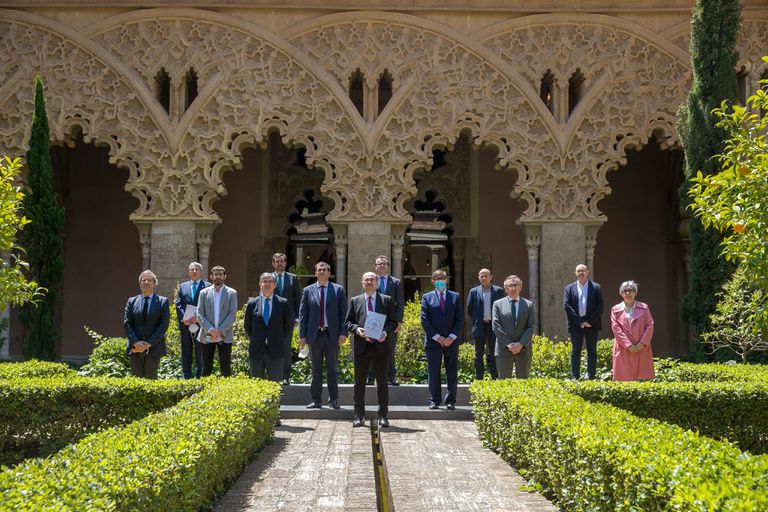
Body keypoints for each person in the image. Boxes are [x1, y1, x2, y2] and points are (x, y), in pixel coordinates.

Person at [346, 272, 397, 428]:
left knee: (382, 382)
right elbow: (347, 322)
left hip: (381, 346)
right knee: (359, 383)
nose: (369, 282)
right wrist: (357, 329)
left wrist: (384, 333)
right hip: (362, 346)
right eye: (366, 279)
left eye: (372, 279)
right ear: (362, 282)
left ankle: (383, 416)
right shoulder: (355, 301)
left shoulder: (386, 300)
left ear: (377, 283)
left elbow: (393, 322)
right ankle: (358, 415)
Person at [299, 261, 347, 409]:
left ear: (329, 273)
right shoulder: (308, 290)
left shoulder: (338, 290)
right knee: (316, 370)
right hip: (315, 335)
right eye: (318, 270)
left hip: (332, 335)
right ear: (315, 273)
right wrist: (302, 335)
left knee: (332, 369)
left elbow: (343, 314)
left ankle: (333, 400)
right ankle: (316, 400)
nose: (321, 272)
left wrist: (343, 333)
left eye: (324, 270)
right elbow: (303, 314)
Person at [420, 269, 463, 410]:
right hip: (433, 342)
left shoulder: (455, 297)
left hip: (451, 342)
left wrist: (451, 336)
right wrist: (438, 337)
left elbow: (460, 319)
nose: (440, 280)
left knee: (452, 371)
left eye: (442, 278)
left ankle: (451, 400)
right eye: (437, 278)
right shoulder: (427, 297)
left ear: (446, 280)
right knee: (433, 372)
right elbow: (425, 320)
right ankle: (434, 400)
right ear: (433, 281)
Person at [244, 273, 294, 382]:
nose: (267, 284)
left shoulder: (283, 303)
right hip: (257, 350)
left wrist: (278, 338)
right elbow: (247, 327)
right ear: (260, 284)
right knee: (256, 386)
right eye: (264, 281)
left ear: (275, 285)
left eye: (270, 281)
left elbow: (288, 326)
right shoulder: (252, 304)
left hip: (276, 350)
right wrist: (257, 338)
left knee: (276, 385)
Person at [124, 270, 170, 379]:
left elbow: (163, 325)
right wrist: (136, 343)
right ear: (140, 284)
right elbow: (127, 324)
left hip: (154, 348)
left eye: (149, 280)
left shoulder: (162, 302)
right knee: (136, 382)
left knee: (151, 381)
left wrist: (148, 344)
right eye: (143, 280)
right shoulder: (132, 301)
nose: (146, 282)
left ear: (155, 284)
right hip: (135, 348)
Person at [368, 255, 404, 386]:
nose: (382, 265)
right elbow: (364, 300)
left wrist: (399, 322)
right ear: (375, 267)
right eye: (379, 264)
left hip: (390, 321)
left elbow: (400, 303)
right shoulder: (370, 281)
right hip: (373, 319)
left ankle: (390, 377)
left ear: (389, 266)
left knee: (390, 349)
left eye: (384, 263)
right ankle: (371, 378)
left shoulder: (395, 282)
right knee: (371, 349)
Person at [563, 264, 604, 380]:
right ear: (575, 273)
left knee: (592, 350)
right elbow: (567, 306)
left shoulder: (596, 287)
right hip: (576, 325)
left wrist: (589, 321)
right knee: (576, 350)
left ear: (588, 272)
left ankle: (592, 376)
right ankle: (575, 376)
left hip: (592, 324)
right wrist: (579, 322)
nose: (581, 273)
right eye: (578, 271)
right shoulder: (569, 288)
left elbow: (600, 306)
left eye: (583, 271)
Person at [196, 265, 238, 377]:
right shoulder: (203, 293)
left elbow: (232, 314)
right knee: (206, 369)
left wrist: (219, 330)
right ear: (211, 276)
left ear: (225, 276)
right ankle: (204, 393)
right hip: (207, 334)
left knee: (226, 368)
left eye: (220, 274)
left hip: (225, 334)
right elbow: (199, 313)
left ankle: (226, 394)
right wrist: (210, 329)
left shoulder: (232, 293)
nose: (218, 276)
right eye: (215, 274)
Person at [492, 275, 535, 379]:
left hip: (523, 350)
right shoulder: (498, 304)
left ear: (520, 288)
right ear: (506, 289)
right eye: (510, 286)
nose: (513, 288)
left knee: (523, 384)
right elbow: (496, 325)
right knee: (504, 384)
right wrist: (509, 344)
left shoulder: (528, 305)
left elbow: (531, 326)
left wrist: (520, 344)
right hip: (503, 349)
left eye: (515, 285)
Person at [611, 280, 655, 381]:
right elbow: (616, 328)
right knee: (623, 379)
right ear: (621, 294)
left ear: (635, 292)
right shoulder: (615, 309)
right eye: (625, 291)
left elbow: (650, 325)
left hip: (641, 348)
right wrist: (628, 345)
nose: (628, 293)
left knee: (642, 378)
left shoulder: (644, 307)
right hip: (623, 348)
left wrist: (642, 343)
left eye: (631, 290)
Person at [467, 268, 505, 380]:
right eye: (481, 276)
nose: (484, 278)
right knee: (478, 354)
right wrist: (478, 319)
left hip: (493, 326)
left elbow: (502, 308)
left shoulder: (498, 291)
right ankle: (479, 378)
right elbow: (470, 309)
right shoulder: (473, 292)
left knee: (494, 353)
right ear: (479, 277)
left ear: (491, 277)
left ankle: (495, 378)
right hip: (479, 326)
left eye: (486, 276)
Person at [175, 262, 210, 379]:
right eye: (192, 269)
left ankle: (200, 376)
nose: (194, 271)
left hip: (202, 325)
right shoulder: (183, 286)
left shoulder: (208, 286)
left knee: (200, 351)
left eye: (196, 269)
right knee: (186, 351)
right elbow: (178, 303)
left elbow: (209, 305)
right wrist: (184, 319)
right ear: (189, 272)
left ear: (201, 272)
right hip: (186, 324)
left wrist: (199, 318)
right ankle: (187, 376)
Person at [272, 252, 302, 385]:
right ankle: (274, 375)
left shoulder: (293, 278)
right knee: (272, 346)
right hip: (271, 317)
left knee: (286, 347)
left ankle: (285, 376)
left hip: (288, 319)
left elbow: (298, 298)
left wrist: (297, 318)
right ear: (273, 263)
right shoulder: (268, 278)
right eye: (277, 261)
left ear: (285, 263)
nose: (279, 263)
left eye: (282, 261)